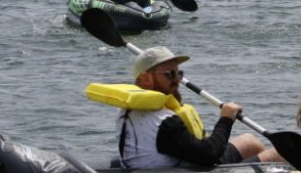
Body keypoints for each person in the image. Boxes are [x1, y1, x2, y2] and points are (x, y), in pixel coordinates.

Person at [90, 46, 280, 168]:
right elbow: (209, 155)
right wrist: (225, 119)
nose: (176, 81)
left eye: (178, 74)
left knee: (249, 140)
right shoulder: (163, 122)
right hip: (186, 169)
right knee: (277, 156)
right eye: (169, 74)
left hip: (171, 164)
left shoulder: (126, 111)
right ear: (147, 78)